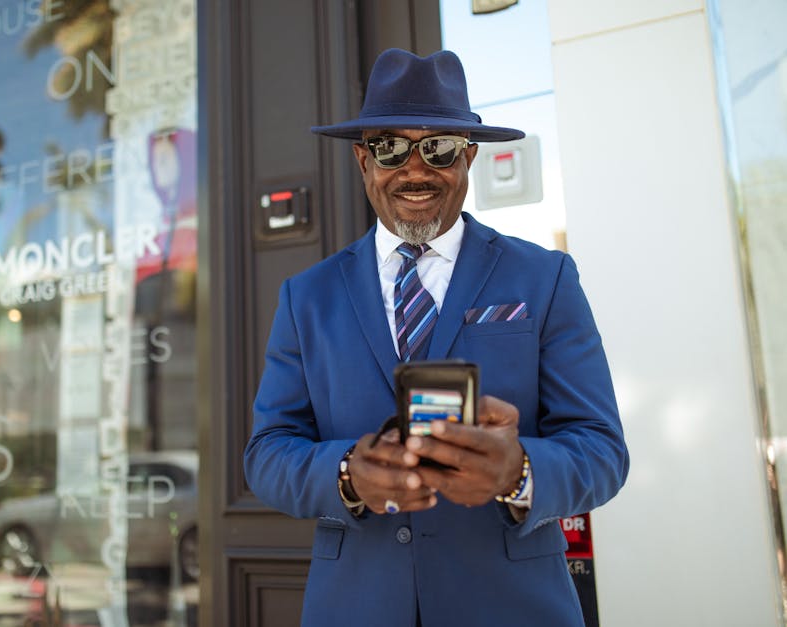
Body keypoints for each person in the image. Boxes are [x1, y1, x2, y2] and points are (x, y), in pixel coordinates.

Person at [243, 48, 629, 627]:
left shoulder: (545, 278)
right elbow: (267, 453)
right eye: (391, 147)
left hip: (513, 608)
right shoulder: (307, 297)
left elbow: (602, 450)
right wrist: (347, 474)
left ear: (468, 158)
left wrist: (518, 471)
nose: (416, 170)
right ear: (362, 160)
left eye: (439, 148)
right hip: (356, 607)